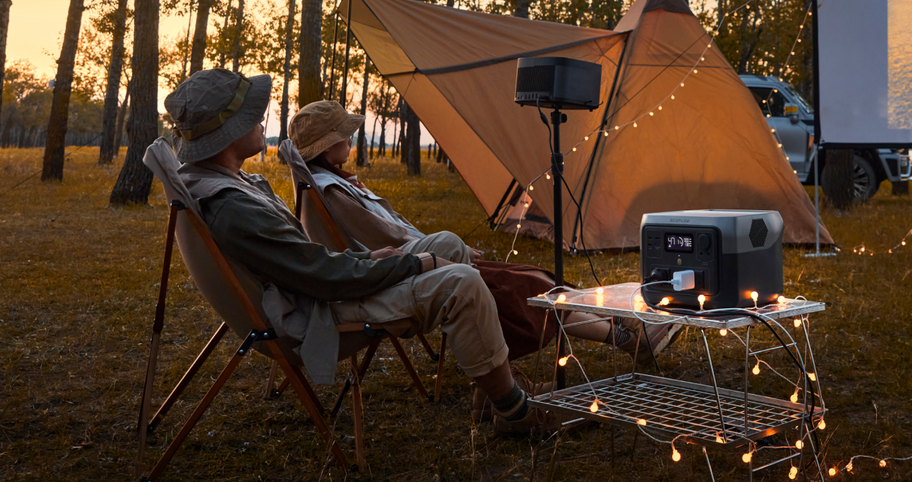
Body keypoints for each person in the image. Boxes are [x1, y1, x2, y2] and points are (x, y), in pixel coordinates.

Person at [163, 69, 552, 435]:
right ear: (228, 133)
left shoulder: (221, 184)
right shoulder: (232, 205)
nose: (260, 120)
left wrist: (368, 259)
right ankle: (514, 411)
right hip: (314, 313)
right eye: (251, 116)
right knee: (461, 283)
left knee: (448, 250)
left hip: (313, 292)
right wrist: (413, 262)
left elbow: (305, 261)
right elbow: (323, 278)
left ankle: (492, 391)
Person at [287, 101, 680, 417]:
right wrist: (444, 248)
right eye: (345, 136)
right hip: (410, 275)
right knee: (524, 291)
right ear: (326, 146)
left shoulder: (337, 184)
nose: (352, 140)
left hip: (422, 266)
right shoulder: (332, 192)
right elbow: (389, 241)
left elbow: (392, 234)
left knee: (530, 279)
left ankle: (628, 331)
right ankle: (627, 337)